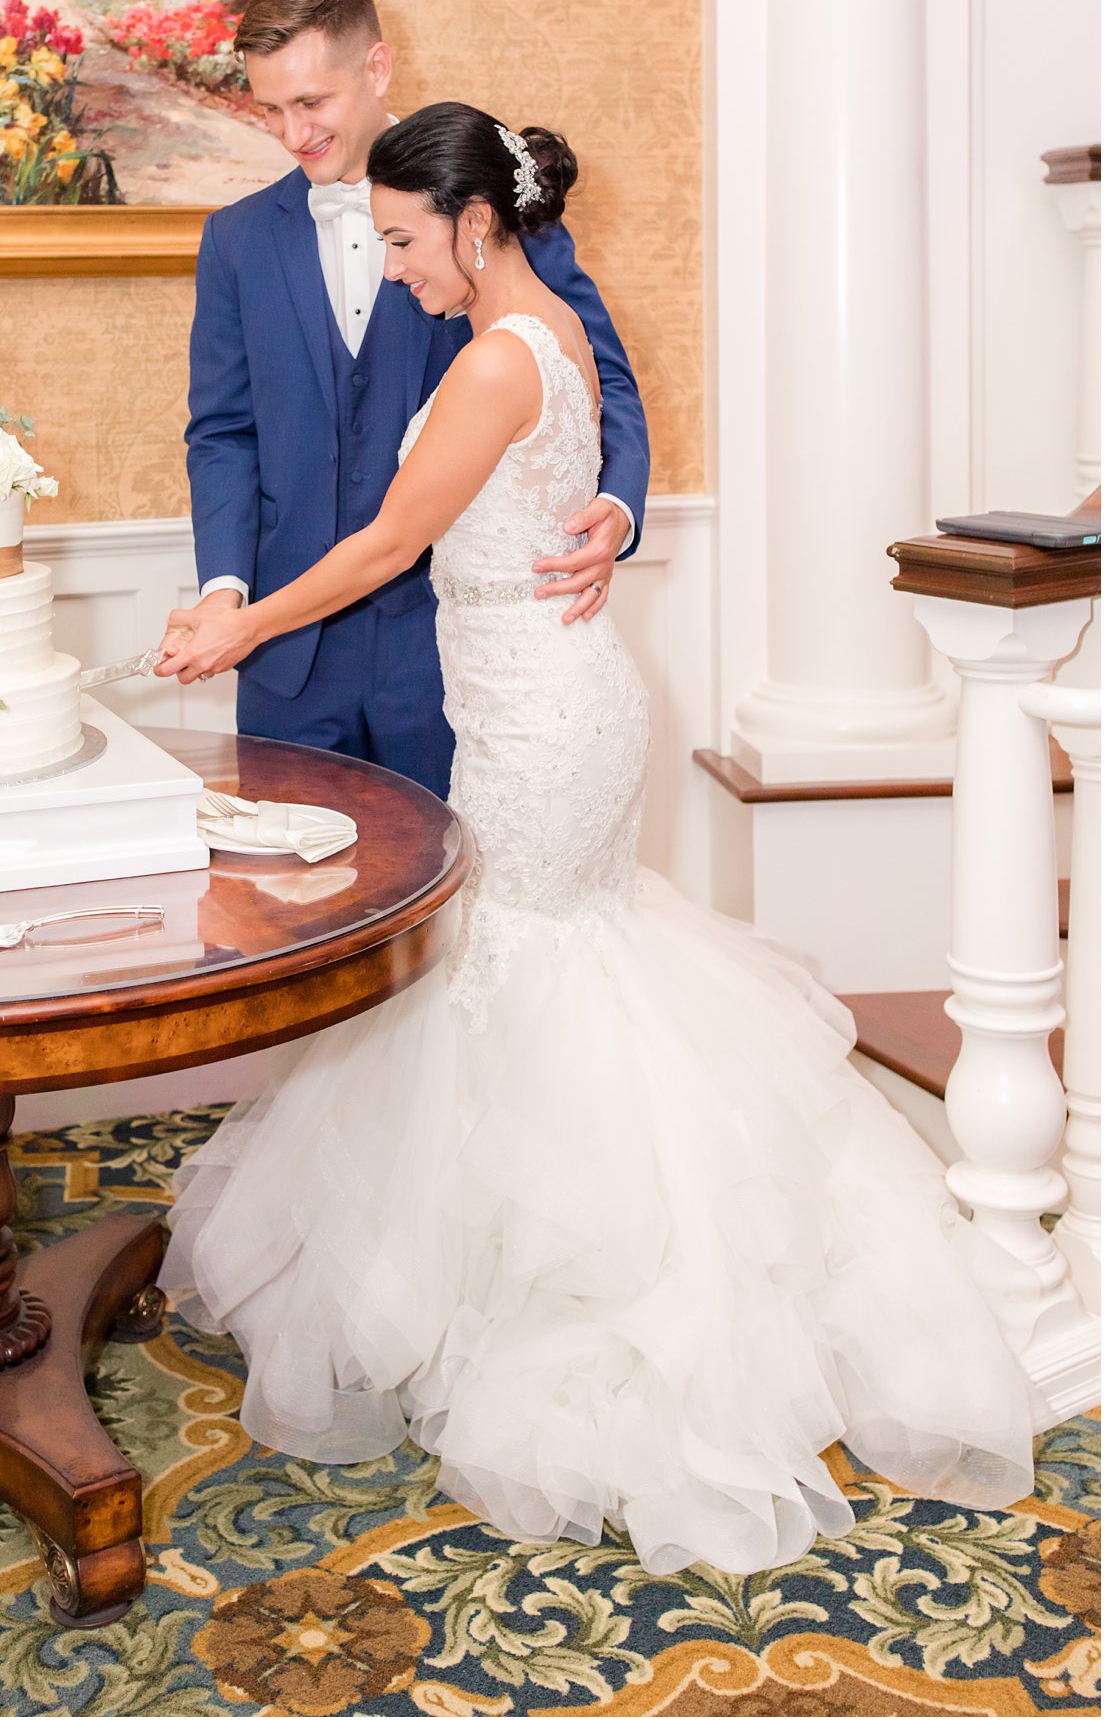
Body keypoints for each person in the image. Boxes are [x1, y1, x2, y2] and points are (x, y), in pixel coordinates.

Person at [154, 101, 1043, 1578]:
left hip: (545, 720)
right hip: (536, 699)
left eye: (401, 239)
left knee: (531, 976)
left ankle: (593, 1301)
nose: (394, 268)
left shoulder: (507, 354)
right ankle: (519, 1277)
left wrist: (239, 620)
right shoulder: (535, 323)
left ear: (473, 222)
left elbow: (384, 545)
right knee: (534, 973)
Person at [185, 0, 649, 800]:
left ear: (377, 69)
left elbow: (596, 371)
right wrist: (227, 592)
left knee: (446, 916)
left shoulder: (483, 203)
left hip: (446, 657)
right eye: (272, 109)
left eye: (312, 102)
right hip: (285, 658)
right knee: (293, 913)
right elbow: (222, 433)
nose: (293, 134)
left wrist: (614, 508)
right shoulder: (237, 240)